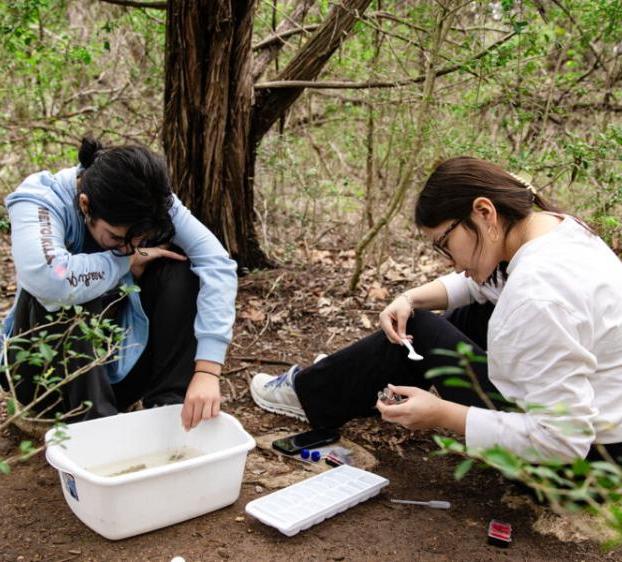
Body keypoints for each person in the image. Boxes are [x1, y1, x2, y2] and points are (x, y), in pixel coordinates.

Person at [251, 156, 622, 463]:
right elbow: (479, 285)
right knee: (463, 314)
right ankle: (351, 383)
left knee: (424, 332)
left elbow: (563, 443)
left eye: (445, 243)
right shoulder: (555, 230)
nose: (452, 262)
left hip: (585, 469)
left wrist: (443, 415)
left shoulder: (537, 295)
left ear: (484, 212)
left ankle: (315, 391)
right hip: (605, 424)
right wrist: (409, 298)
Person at [1, 136, 237, 430]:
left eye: (138, 240)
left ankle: (169, 410)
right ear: (85, 205)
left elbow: (217, 262)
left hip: (118, 368)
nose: (128, 247)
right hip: (44, 378)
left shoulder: (153, 203)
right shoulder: (43, 198)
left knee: (179, 266)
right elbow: (48, 279)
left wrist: (208, 370)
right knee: (62, 289)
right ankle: (98, 431)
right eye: (116, 237)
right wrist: (125, 262)